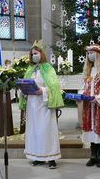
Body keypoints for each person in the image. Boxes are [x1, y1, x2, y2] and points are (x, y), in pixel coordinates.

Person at [19, 39, 64, 169]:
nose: (34, 56)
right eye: (32, 54)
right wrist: (23, 91)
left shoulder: (48, 68)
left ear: (42, 54)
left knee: (47, 131)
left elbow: (54, 87)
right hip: (32, 105)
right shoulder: (30, 69)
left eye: (36, 53)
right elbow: (25, 83)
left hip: (44, 104)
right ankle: (37, 156)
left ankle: (51, 158)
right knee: (34, 131)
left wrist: (42, 91)